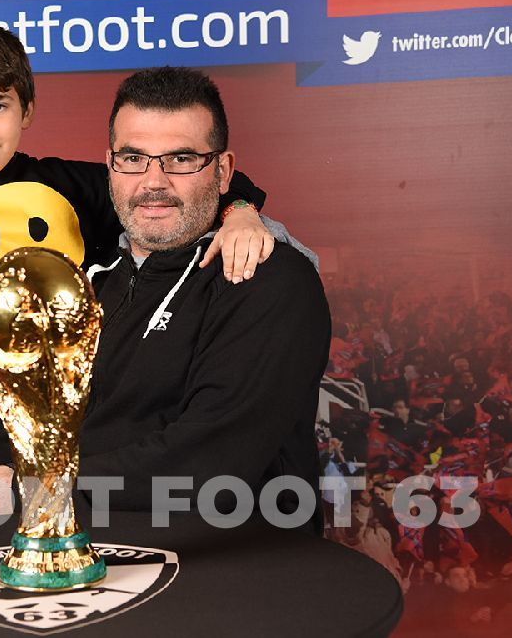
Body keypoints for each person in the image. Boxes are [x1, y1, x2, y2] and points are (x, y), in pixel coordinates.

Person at [0, 20, 295, 523]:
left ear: (26, 109)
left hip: (84, 435)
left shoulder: (66, 186)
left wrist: (241, 213)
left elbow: (169, 186)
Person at [74, 67, 331, 532]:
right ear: (110, 164)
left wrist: (43, 485)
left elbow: (211, 464)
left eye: (181, 159)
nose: (153, 181)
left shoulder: (269, 279)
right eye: (134, 157)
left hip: (230, 583)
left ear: (223, 171)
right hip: (86, 571)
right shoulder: (85, 282)